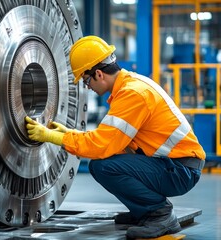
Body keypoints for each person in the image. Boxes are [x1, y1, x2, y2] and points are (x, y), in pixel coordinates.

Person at [25, 35, 205, 239]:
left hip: (180, 171)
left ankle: (159, 214)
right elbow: (111, 141)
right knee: (110, 161)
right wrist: (69, 133)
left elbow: (100, 147)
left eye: (86, 80)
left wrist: (51, 136)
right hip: (174, 164)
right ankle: (143, 211)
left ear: (99, 74)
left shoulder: (132, 95)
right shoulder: (131, 86)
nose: (87, 87)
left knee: (102, 167)